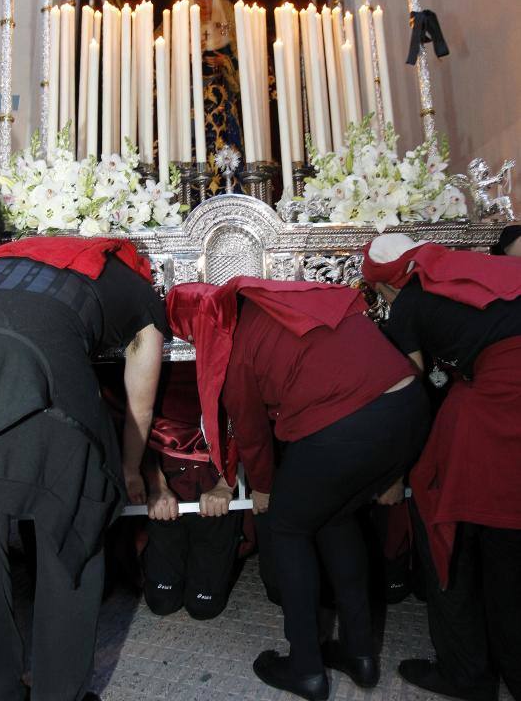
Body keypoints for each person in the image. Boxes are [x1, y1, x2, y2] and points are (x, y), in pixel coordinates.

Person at [166, 276, 430, 701]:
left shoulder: (229, 342)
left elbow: (250, 432)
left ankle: (306, 667)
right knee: (335, 518)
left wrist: (266, 489)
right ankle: (360, 653)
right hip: (409, 408)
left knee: (287, 530)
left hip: (348, 423)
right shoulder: (281, 301)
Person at [0, 235, 167, 701]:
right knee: (74, 532)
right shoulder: (137, 289)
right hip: (45, 394)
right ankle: (57, 693)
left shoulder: (0, 261)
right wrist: (129, 471)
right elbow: (139, 405)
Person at [362, 233, 521, 701]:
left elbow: (408, 396)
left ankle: (467, 672)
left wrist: (393, 475)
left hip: (500, 408)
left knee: (449, 522)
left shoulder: (408, 302)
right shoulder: (467, 263)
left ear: (385, 288)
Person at [141, 363, 242, 620]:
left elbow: (246, 416)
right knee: (162, 600)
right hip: (164, 465)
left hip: (216, 468)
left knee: (203, 605)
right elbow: (132, 416)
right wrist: (156, 486)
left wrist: (225, 484)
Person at [185, 0, 243, 194]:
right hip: (192, 99)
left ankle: (228, 189)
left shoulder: (225, 27)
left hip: (220, 103)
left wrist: (224, 61)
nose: (203, 3)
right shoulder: (183, 31)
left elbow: (239, 61)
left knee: (223, 144)